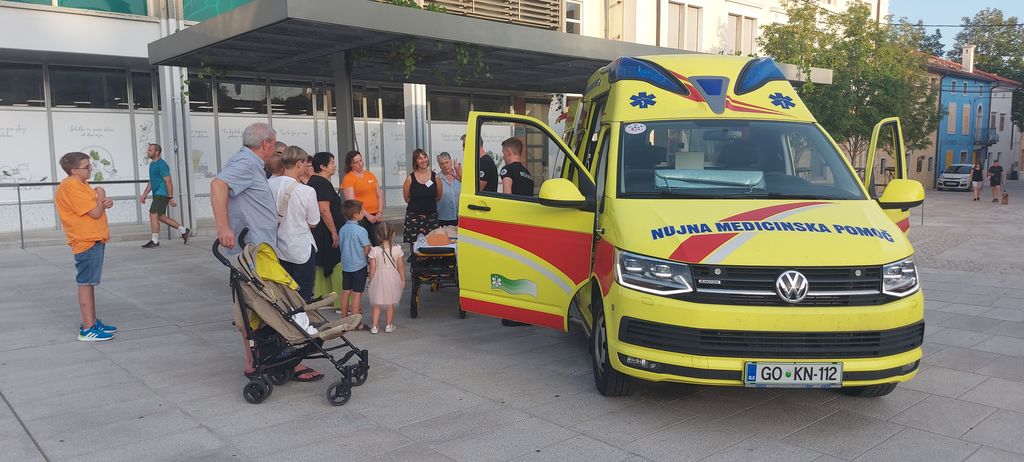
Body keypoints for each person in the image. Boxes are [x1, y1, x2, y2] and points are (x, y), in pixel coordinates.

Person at [210, 122, 321, 382]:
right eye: (276, 147)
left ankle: (257, 361)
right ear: (266, 144)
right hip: (253, 252)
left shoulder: (250, 163)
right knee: (270, 304)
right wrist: (223, 227)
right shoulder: (247, 163)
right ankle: (281, 362)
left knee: (256, 306)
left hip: (257, 249)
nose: (277, 154)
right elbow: (218, 185)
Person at [56, 152, 117, 342]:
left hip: (93, 238)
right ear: (74, 170)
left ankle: (92, 322)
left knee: (89, 283)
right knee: (85, 284)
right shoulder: (72, 186)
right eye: (87, 167)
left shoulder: (82, 185)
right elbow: (95, 213)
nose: (91, 169)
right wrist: (102, 195)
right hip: (86, 241)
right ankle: (88, 328)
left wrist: (105, 202)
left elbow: (97, 207)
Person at [268, 146, 320, 303]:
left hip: (277, 248)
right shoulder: (307, 191)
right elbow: (314, 222)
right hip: (301, 249)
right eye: (305, 163)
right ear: (299, 163)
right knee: (302, 296)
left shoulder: (268, 185)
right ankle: (301, 318)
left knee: (283, 295)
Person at [307, 152, 344, 309]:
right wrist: (334, 232)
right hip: (326, 231)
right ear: (322, 166)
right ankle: (340, 301)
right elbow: (324, 210)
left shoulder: (314, 181)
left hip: (320, 230)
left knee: (322, 263)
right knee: (335, 263)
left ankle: (324, 298)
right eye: (332, 163)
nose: (334, 166)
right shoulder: (321, 183)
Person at [139, 143, 190, 248]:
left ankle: (155, 241)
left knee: (153, 214)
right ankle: (184, 230)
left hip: (161, 194)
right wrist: (144, 194)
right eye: (148, 150)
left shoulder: (162, 164)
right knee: (161, 217)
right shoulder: (152, 164)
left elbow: (168, 181)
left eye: (150, 150)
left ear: (157, 152)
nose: (147, 152)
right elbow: (152, 181)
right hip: (157, 194)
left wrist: (170, 197)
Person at [367, 222, 405, 334]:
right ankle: (389, 325)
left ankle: (374, 327)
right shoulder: (397, 249)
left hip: (378, 278)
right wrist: (402, 279)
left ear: (378, 236)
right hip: (393, 278)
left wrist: (371, 280)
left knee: (376, 303)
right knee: (390, 303)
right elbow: (401, 266)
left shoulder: (374, 250)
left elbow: (372, 268)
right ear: (393, 234)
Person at [341, 150, 384, 246]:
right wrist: (367, 215)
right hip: (360, 216)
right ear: (350, 164)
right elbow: (352, 201)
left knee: (378, 242)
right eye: (356, 162)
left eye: (360, 160)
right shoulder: (348, 178)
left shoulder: (370, 175)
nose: (360, 164)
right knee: (362, 244)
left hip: (375, 214)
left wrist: (380, 212)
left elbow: (379, 194)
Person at [339, 199, 370, 328]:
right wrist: (367, 259)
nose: (363, 213)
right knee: (357, 293)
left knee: (346, 292)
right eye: (362, 211)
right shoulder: (361, 230)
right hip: (359, 265)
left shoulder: (342, 229)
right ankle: (355, 323)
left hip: (346, 265)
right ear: (356, 215)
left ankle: (344, 319)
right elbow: (366, 247)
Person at [403, 149, 442, 243]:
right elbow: (406, 198)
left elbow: (438, 196)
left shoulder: (435, 177)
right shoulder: (410, 178)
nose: (423, 160)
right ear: (415, 161)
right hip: (413, 217)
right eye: (420, 158)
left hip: (431, 217)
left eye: (425, 157)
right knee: (413, 245)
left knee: (432, 244)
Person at [436, 151, 462, 227]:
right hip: (443, 219)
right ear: (439, 165)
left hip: (461, 216)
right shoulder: (437, 179)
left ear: (451, 161)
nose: (445, 165)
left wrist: (459, 174)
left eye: (446, 162)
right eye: (442, 164)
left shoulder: (459, 175)